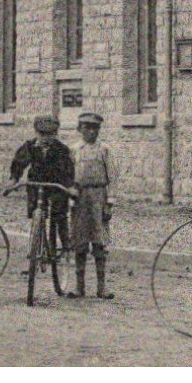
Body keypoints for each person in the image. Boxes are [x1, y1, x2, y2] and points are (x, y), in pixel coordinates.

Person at [9, 114, 75, 269]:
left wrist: (70, 187)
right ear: (36, 132)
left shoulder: (61, 149)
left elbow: (68, 170)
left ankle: (66, 247)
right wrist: (14, 180)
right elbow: (19, 163)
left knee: (59, 214)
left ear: (56, 134)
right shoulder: (29, 147)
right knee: (36, 211)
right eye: (42, 134)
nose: (46, 138)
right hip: (36, 184)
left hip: (56, 185)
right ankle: (36, 245)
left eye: (50, 134)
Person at [68, 112, 114, 299]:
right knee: (79, 242)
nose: (92, 132)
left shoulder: (105, 150)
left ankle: (101, 287)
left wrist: (109, 203)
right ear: (80, 130)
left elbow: (113, 178)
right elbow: (69, 176)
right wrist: (71, 197)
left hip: (98, 197)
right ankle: (80, 287)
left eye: (95, 128)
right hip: (80, 198)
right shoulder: (74, 150)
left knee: (99, 242)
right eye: (87, 128)